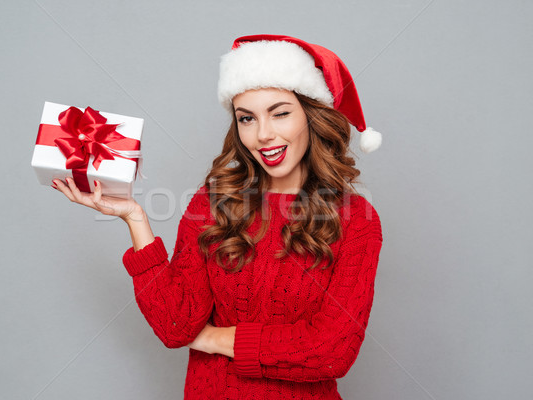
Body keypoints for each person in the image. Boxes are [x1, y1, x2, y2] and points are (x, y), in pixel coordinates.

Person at [52, 34, 384, 400]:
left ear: (312, 116)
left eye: (281, 113)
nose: (263, 135)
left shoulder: (356, 219)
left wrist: (215, 338)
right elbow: (176, 325)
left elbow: (331, 351)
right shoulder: (213, 203)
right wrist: (135, 219)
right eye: (247, 118)